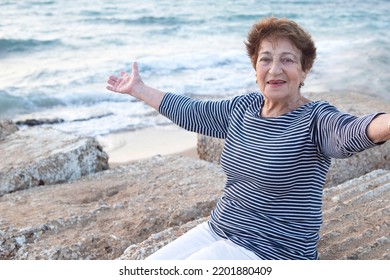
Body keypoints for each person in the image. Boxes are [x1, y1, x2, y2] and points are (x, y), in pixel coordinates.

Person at [106, 17, 390, 260]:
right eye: (265, 59)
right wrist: (139, 89)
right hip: (219, 227)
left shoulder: (315, 118)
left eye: (287, 60)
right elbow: (192, 112)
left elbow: (352, 131)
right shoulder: (243, 109)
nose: (275, 69)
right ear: (255, 68)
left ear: (304, 70)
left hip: (276, 250)